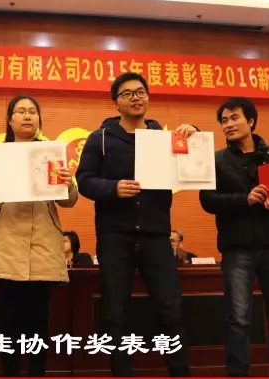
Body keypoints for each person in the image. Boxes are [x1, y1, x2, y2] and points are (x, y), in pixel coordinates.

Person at [75, 72, 196, 377]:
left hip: (156, 234)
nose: (135, 98)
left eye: (140, 92)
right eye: (127, 93)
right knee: (115, 312)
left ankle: (180, 372)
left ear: (148, 97)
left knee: (171, 309)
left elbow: (195, 163)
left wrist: (194, 132)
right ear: (116, 103)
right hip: (115, 236)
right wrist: (112, 188)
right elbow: (84, 180)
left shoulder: (164, 138)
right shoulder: (100, 138)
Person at [0, 95, 78, 377]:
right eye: (20, 111)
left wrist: (68, 183)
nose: (27, 115)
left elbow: (69, 201)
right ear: (10, 120)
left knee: (38, 322)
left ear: (39, 119)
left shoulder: (51, 154)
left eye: (32, 111)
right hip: (6, 245)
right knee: (9, 322)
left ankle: (36, 372)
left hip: (42, 245)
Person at [199, 97, 269, 377]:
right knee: (238, 320)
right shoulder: (217, 160)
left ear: (251, 121)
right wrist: (246, 199)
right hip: (236, 249)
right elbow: (207, 200)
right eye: (224, 120)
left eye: (234, 118)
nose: (228, 124)